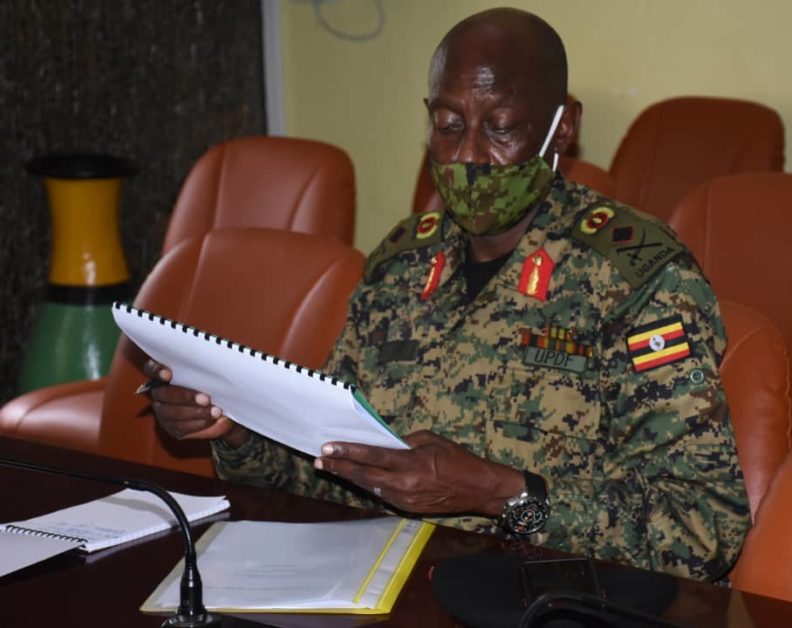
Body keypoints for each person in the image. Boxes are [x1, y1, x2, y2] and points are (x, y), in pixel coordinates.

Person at [147, 8, 750, 582]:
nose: (469, 156)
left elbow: (703, 529)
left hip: (549, 596)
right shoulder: (402, 265)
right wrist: (234, 432)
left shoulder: (635, 278)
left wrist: (499, 493)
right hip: (385, 582)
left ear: (562, 127)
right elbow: (330, 471)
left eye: (501, 128)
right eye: (449, 125)